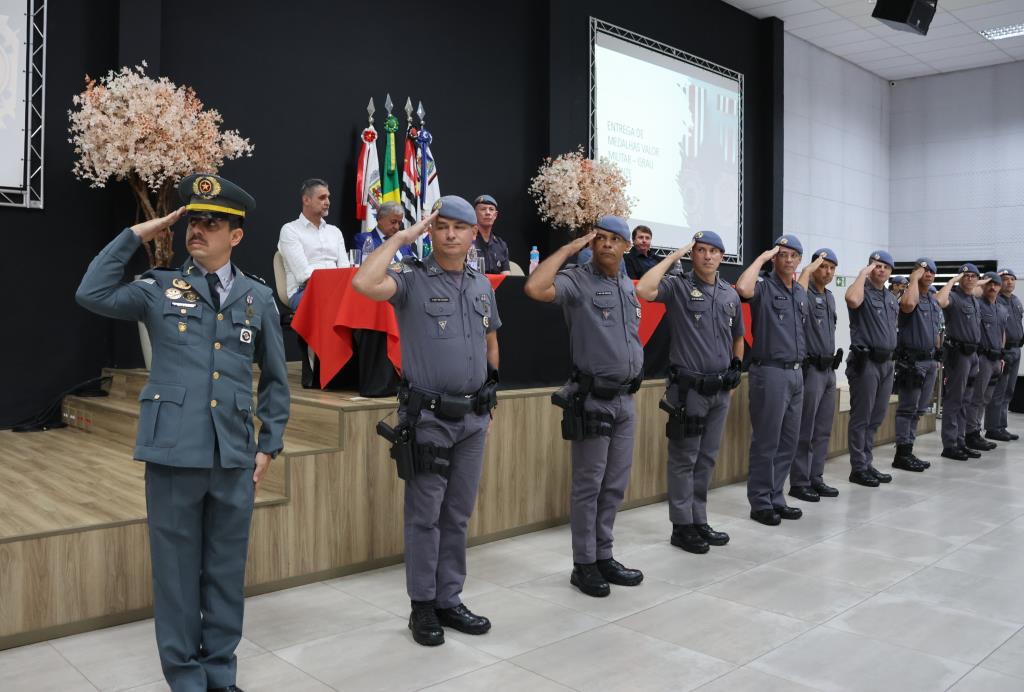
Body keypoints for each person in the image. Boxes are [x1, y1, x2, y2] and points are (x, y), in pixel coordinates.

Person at [76, 174, 290, 692]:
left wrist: (269, 445)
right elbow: (92, 291)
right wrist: (140, 233)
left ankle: (220, 671)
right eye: (194, 219)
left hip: (233, 453)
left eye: (211, 223)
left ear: (235, 235)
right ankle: (186, 678)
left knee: (224, 571)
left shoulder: (258, 298)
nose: (198, 229)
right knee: (175, 575)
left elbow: (277, 380)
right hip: (173, 449)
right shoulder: (158, 287)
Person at [352, 196, 500, 647]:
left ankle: (449, 599)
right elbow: (362, 282)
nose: (451, 234)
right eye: (442, 227)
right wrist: (401, 236)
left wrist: (492, 392)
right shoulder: (412, 279)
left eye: (461, 227)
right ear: (431, 231)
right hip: (430, 419)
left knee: (457, 514)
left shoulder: (481, 285)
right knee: (425, 516)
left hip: (474, 418)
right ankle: (422, 606)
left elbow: (490, 337)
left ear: (475, 234)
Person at [525, 215, 645, 597]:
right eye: (601, 239)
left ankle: (604, 555)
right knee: (588, 485)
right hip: (593, 398)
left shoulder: (627, 282)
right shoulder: (579, 280)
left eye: (615, 239)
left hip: (626, 399)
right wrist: (569, 248)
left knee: (614, 486)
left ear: (627, 246)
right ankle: (584, 563)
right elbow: (534, 287)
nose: (607, 244)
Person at [636, 230, 744, 553]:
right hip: (689, 390)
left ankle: (699, 519)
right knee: (684, 459)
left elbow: (738, 336)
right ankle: (681, 526)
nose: (707, 256)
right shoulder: (680, 287)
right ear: (692, 255)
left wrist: (737, 366)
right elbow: (644, 288)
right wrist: (674, 255)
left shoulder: (729, 294)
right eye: (700, 250)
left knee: (707, 459)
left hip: (720, 391)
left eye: (713, 251)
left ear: (722, 256)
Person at [735, 235, 808, 526]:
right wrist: (763, 258)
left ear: (799, 260)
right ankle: (761, 501)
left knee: (789, 441)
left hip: (796, 373)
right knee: (767, 441)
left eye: (793, 255)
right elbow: (742, 287)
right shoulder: (764, 288)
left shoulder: (800, 293)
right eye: (782, 255)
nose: (788, 260)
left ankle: (777, 496)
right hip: (770, 371)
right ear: (775, 258)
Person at [844, 251, 900, 487]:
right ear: (869, 268)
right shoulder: (861, 291)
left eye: (886, 267)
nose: (881, 270)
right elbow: (852, 301)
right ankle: (858, 468)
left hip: (887, 363)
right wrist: (861, 275)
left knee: (876, 417)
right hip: (866, 363)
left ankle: (867, 462)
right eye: (876, 266)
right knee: (862, 417)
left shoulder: (890, 298)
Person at [791, 249, 842, 502]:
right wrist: (806, 271)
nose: (828, 272)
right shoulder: (803, 293)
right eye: (823, 266)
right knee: (805, 429)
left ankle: (815, 477)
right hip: (810, 370)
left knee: (822, 429)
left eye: (832, 268)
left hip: (829, 370)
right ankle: (799, 481)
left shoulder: (831, 298)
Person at [892, 258, 942, 473]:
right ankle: (901, 455)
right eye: (923, 270)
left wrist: (938, 357)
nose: (927, 273)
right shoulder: (909, 295)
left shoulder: (932, 299)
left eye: (931, 271)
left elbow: (937, 330)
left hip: (930, 361)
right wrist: (913, 278)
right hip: (912, 361)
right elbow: (908, 305)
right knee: (907, 409)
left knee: (919, 410)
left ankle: (908, 450)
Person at [277, 178, 350, 311]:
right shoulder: (290, 230)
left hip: (337, 289)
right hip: (304, 291)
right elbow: (304, 275)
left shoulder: (335, 231)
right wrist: (336, 287)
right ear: (306, 200)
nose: (327, 202)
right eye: (322, 198)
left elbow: (345, 268)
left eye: (328, 197)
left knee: (370, 297)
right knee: (335, 303)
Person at [936, 265, 982, 460]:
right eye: (966, 276)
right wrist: (953, 280)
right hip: (959, 354)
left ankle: (960, 440)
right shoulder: (954, 297)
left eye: (973, 276)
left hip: (973, 355)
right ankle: (950, 444)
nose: (970, 279)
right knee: (954, 401)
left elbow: (985, 284)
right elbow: (939, 300)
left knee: (966, 400)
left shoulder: (973, 298)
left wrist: (980, 280)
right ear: (961, 279)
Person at [965, 272, 1007, 451]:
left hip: (996, 359)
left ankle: (977, 431)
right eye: (989, 284)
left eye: (995, 284)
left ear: (1000, 287)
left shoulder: (1002, 308)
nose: (992, 287)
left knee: (985, 398)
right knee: (976, 397)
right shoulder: (977, 304)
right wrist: (981, 283)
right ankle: (970, 433)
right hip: (982, 358)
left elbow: (1002, 332)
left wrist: (1002, 355)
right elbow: (970, 291)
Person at [985, 268, 1023, 441]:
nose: (1009, 282)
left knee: (1009, 390)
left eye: (1012, 279)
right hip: (1004, 350)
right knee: (998, 391)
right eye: (1005, 279)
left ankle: (1001, 426)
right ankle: (993, 428)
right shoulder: (995, 301)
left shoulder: (1015, 301)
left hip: (1016, 349)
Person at [472, 194, 510, 273]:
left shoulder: (501, 245)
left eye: (491, 209)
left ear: (495, 215)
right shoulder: (467, 241)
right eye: (483, 209)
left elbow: (506, 277)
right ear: (474, 213)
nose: (488, 213)